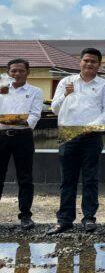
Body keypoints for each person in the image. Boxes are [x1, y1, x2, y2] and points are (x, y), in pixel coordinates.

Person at [48, 48, 105, 234]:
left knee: (90, 178)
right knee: (67, 179)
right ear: (80, 62)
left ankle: (89, 218)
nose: (89, 64)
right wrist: (65, 95)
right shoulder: (66, 82)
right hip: (68, 135)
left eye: (93, 61)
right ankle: (64, 220)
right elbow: (55, 109)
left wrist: (93, 125)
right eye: (86, 60)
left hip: (91, 136)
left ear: (99, 64)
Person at [0, 59, 43, 230]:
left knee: (25, 177)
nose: (17, 74)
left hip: (23, 137)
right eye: (13, 71)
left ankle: (25, 215)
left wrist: (22, 122)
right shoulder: (1, 88)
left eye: (21, 71)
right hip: (1, 136)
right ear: (8, 72)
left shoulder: (35, 91)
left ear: (28, 72)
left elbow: (34, 114)